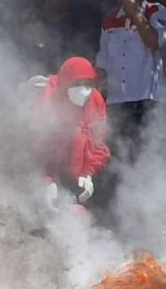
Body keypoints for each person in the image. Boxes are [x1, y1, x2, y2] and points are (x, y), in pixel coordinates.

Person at [94, 0, 166, 163]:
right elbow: (102, 62)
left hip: (147, 99)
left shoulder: (157, 11)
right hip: (117, 101)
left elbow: (154, 42)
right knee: (119, 159)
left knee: (147, 158)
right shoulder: (109, 18)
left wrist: (135, 12)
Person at [31, 56, 110, 210]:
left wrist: (88, 173)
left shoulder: (95, 101)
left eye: (88, 84)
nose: (83, 90)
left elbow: (99, 143)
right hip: (47, 172)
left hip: (77, 173)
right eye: (77, 84)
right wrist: (46, 180)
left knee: (77, 214)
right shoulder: (48, 101)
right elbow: (35, 146)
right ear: (65, 82)